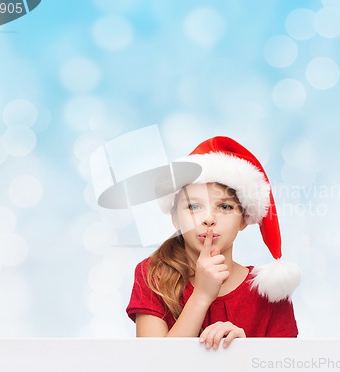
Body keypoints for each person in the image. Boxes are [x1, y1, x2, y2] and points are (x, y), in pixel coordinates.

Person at [126, 136, 301, 349]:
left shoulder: (269, 292)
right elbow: (151, 365)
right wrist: (201, 295)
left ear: (244, 219)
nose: (208, 219)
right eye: (193, 207)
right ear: (175, 218)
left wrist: (244, 352)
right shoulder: (153, 275)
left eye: (225, 207)